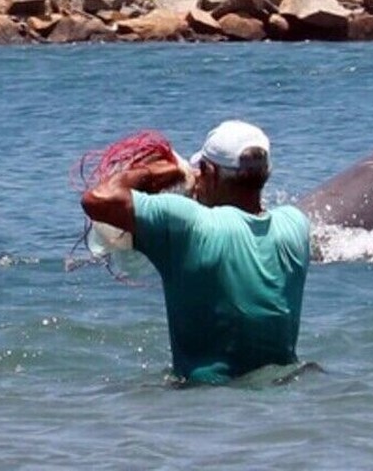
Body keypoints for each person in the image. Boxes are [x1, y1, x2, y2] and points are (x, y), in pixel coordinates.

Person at [81, 120, 310, 384]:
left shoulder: (188, 224)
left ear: (209, 171)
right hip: (283, 389)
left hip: (207, 401)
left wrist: (165, 173)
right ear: (266, 172)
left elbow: (98, 199)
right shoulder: (296, 225)